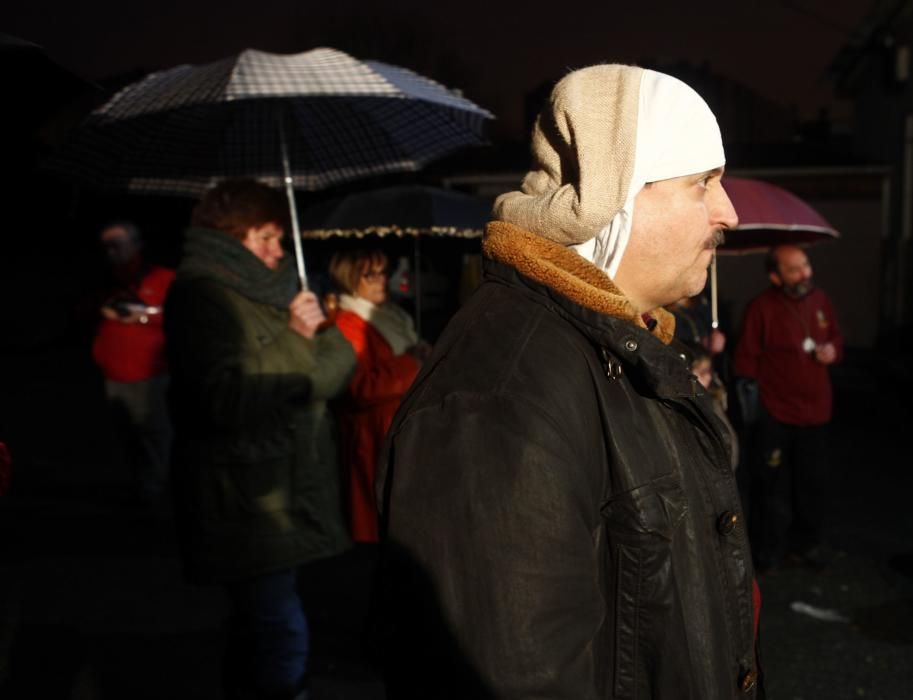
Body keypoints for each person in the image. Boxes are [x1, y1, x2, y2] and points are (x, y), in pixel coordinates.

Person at [377, 65, 761, 698]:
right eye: (703, 183)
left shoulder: (622, 344)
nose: (730, 213)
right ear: (615, 191)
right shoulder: (505, 392)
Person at [164, 180, 356, 700]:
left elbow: (339, 364)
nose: (277, 249)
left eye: (278, 237)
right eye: (265, 237)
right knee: (279, 630)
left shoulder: (280, 290)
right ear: (231, 237)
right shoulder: (202, 296)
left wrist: (305, 355)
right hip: (244, 497)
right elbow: (223, 399)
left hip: (284, 483)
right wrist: (297, 342)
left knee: (260, 627)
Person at [734, 244, 843, 573]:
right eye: (794, 269)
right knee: (769, 487)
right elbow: (745, 363)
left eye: (805, 265)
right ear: (775, 275)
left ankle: (805, 546)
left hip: (816, 413)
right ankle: (765, 552)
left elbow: (836, 337)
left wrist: (832, 351)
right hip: (776, 414)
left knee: (812, 485)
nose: (805, 274)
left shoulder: (821, 300)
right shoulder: (761, 308)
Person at [328, 249, 428, 543]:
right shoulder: (348, 324)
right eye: (370, 274)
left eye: (384, 272)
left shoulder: (390, 316)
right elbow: (358, 388)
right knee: (380, 523)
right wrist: (412, 363)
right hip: (372, 438)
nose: (381, 280)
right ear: (350, 279)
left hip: (395, 429)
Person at [92, 221, 175, 501]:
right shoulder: (105, 281)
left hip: (149, 375)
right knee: (126, 438)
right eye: (106, 245)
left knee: (154, 436)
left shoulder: (161, 279)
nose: (111, 251)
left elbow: (182, 318)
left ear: (136, 244)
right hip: (112, 376)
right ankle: (138, 491)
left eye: (118, 243)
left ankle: (156, 495)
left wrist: (140, 317)